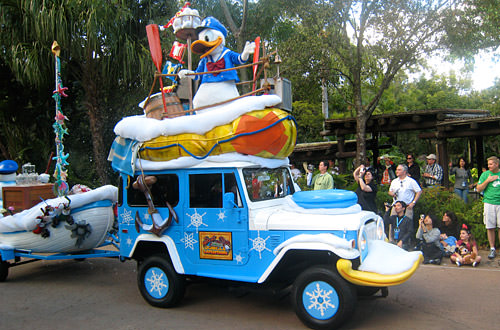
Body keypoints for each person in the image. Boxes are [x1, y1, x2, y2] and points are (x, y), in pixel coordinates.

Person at [476, 156, 500, 259]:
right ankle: (492, 248)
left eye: (491, 164)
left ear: (496, 164)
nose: (489, 166)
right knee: (490, 226)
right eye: (488, 164)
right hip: (489, 203)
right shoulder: (485, 174)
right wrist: (488, 180)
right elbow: (478, 189)